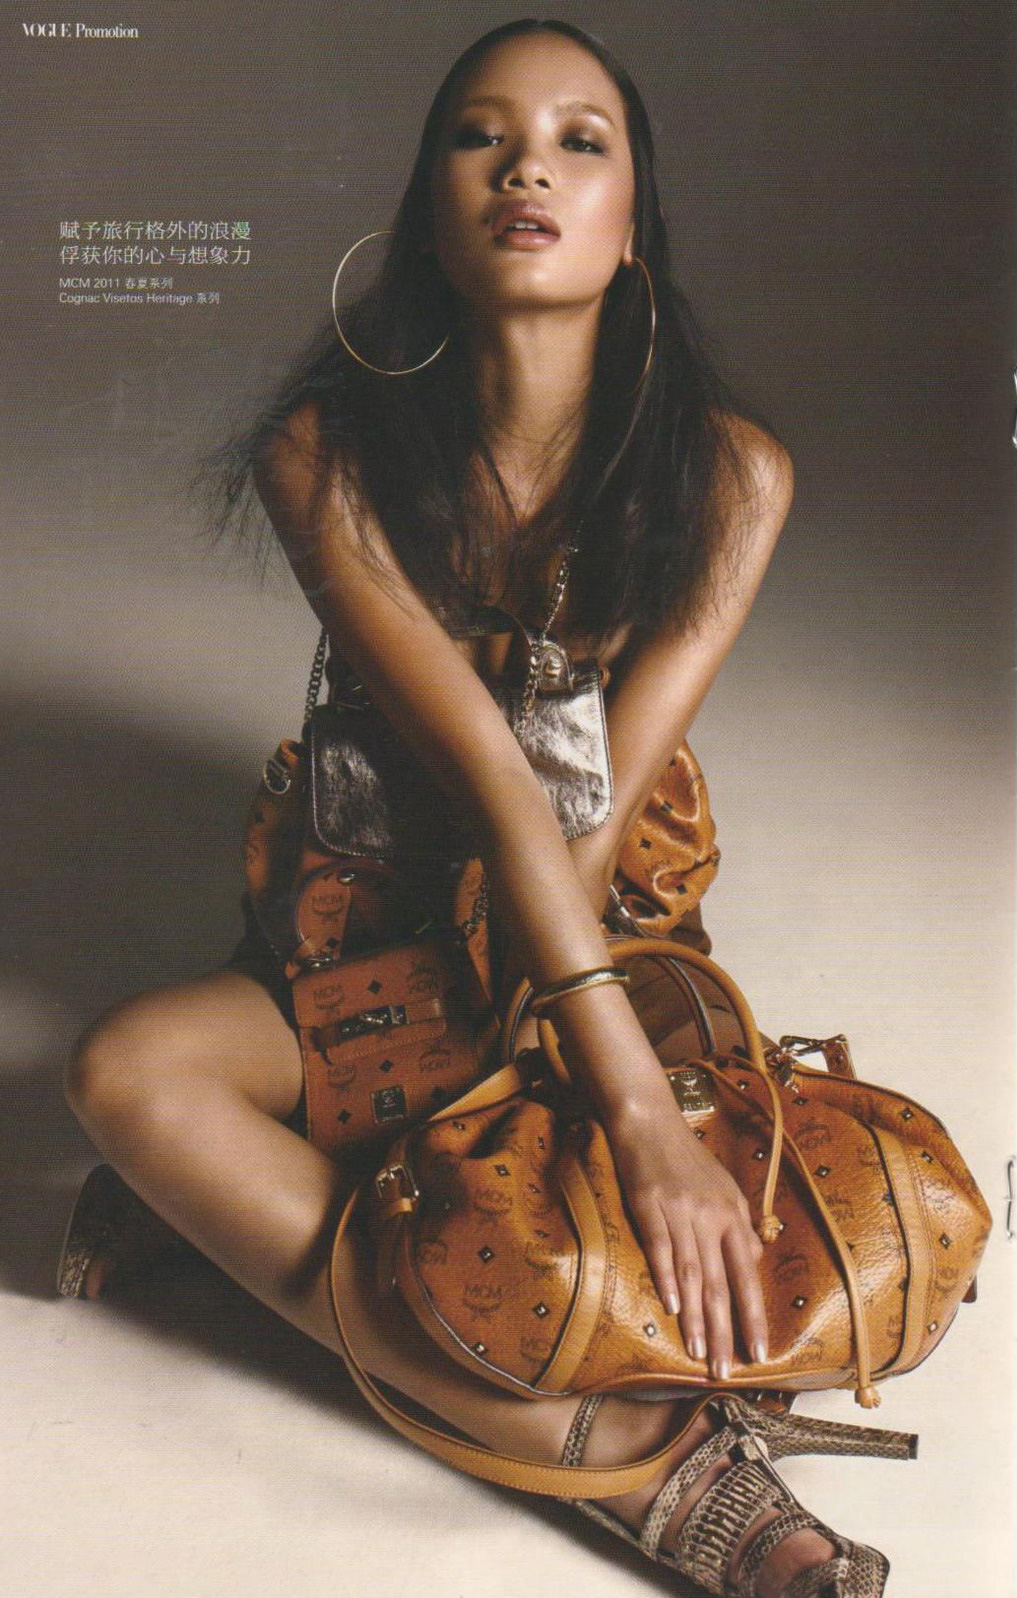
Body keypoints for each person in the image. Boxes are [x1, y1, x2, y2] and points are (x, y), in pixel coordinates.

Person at [59, 19, 892, 1596]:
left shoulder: (731, 475)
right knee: (124, 1071)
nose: (527, 166)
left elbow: (582, 835)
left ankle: (263, 1206)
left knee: (645, 1207)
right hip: (364, 926)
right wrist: (628, 1117)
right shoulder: (325, 454)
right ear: (428, 212)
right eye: (479, 136)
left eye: (581, 140)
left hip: (584, 932)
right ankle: (660, 1473)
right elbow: (499, 796)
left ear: (630, 227)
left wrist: (600, 1080)